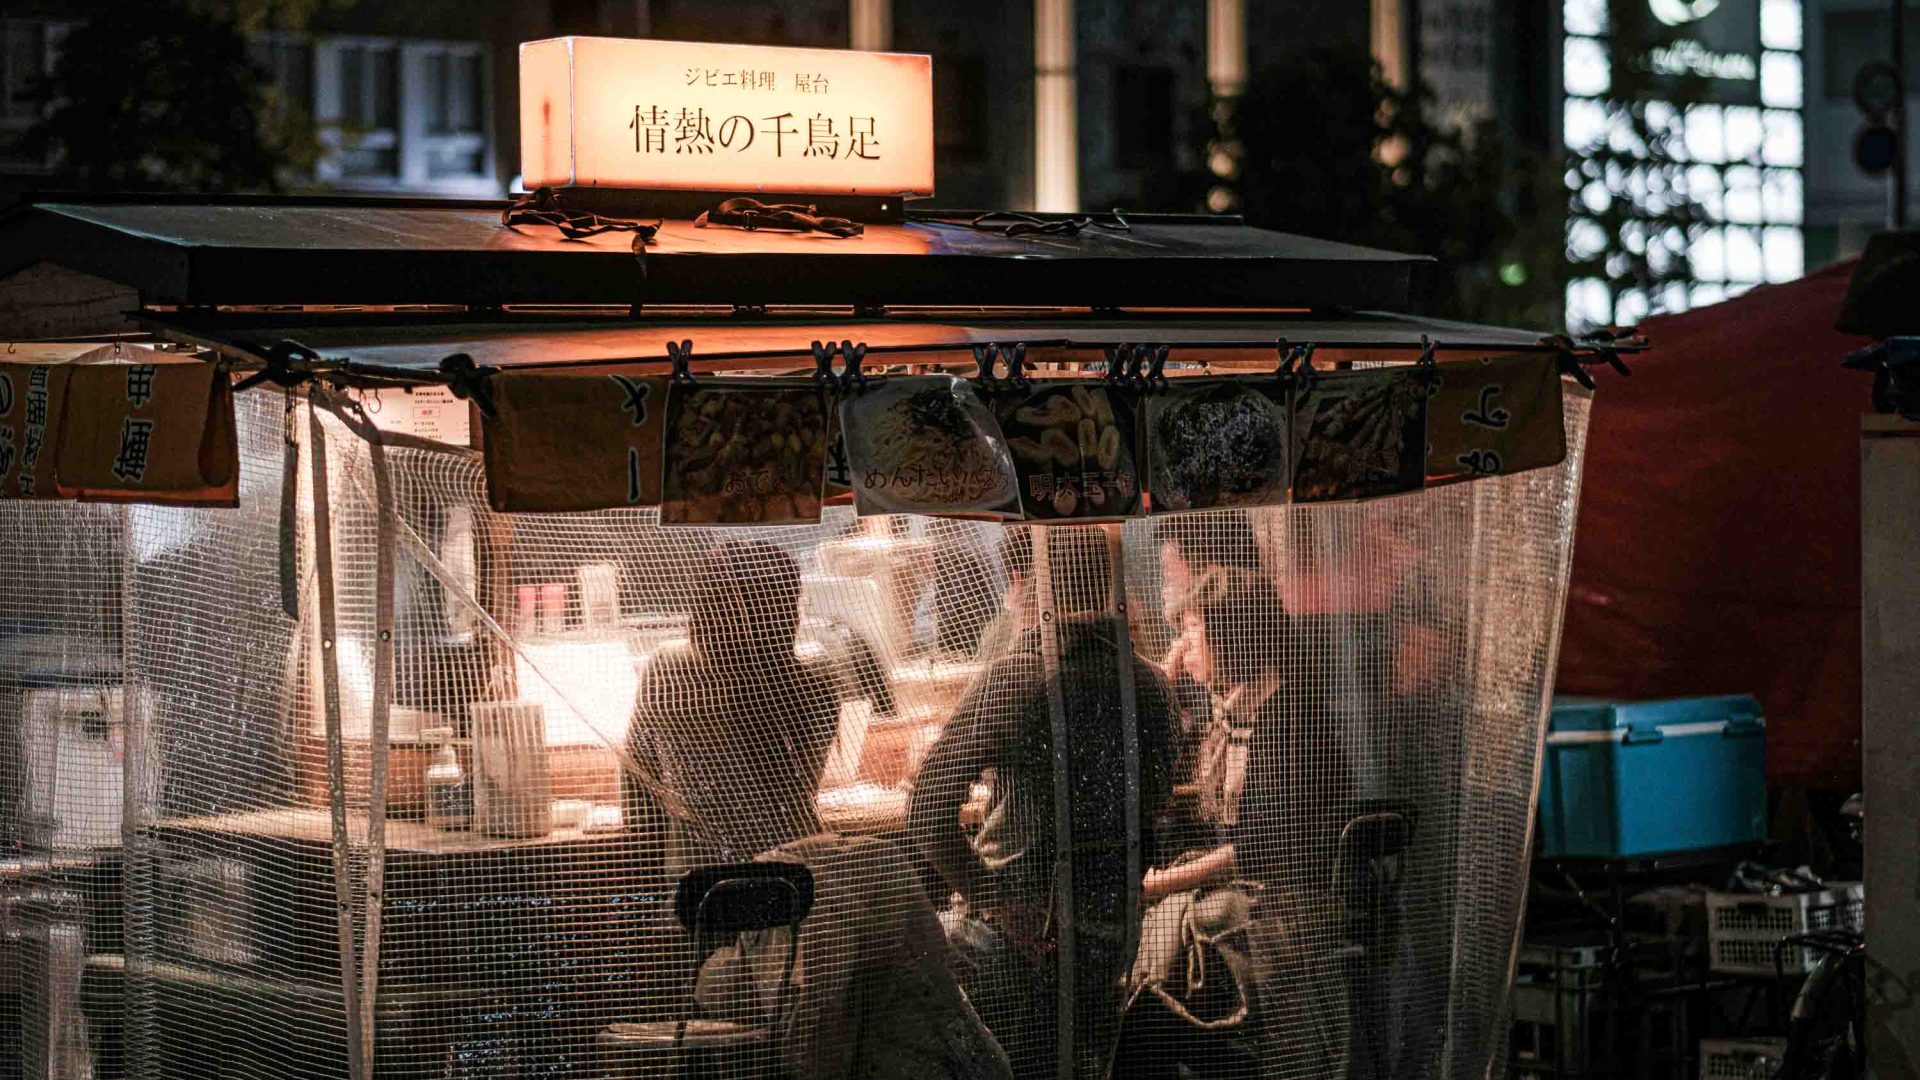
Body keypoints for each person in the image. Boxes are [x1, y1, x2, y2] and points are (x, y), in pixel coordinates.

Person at [906, 525, 1176, 1078]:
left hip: (1019, 940)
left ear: (1032, 586)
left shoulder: (1018, 678)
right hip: (1113, 933)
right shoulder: (1150, 684)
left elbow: (926, 809)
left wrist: (992, 898)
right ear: (1107, 583)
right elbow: (1154, 806)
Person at [628, 538, 840, 862]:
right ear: (786, 617)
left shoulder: (668, 670)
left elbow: (639, 780)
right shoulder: (818, 684)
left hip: (699, 876)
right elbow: (804, 785)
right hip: (797, 869)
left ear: (703, 613)